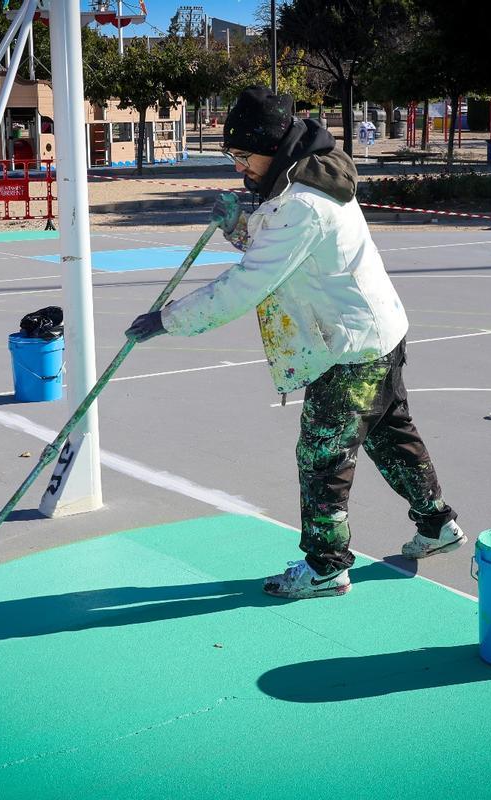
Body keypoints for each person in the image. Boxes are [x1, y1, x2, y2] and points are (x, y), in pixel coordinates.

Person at [126, 87, 465, 600]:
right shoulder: (304, 176)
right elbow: (285, 253)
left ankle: (327, 566)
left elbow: (248, 284)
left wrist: (169, 320)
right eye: (233, 157)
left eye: (244, 156)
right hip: (375, 335)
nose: (239, 168)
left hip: (348, 350)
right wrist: (239, 226)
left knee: (323, 458)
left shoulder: (302, 202)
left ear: (274, 144)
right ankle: (437, 524)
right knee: (390, 435)